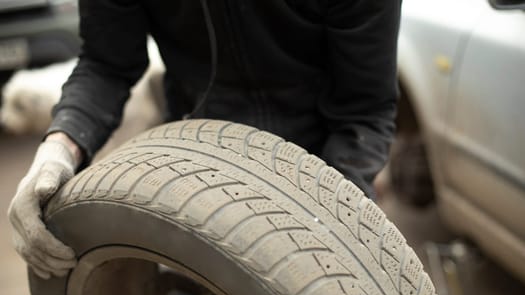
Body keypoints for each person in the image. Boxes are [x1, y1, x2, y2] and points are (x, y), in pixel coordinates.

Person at [8, 0, 402, 279]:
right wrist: (59, 149)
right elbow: (107, 62)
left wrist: (332, 222)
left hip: (316, 170)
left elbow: (363, 111)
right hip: (198, 179)